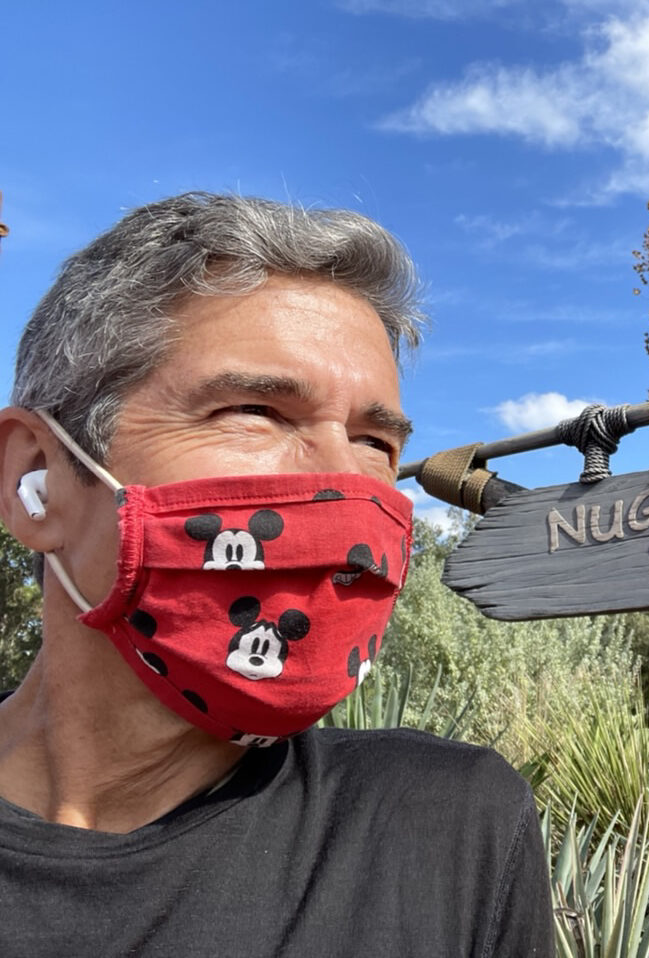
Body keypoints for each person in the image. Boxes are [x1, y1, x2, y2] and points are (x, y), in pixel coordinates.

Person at [0, 192, 555, 956]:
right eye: (257, 411)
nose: (347, 483)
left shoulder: (448, 830)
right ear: (38, 480)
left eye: (373, 443)